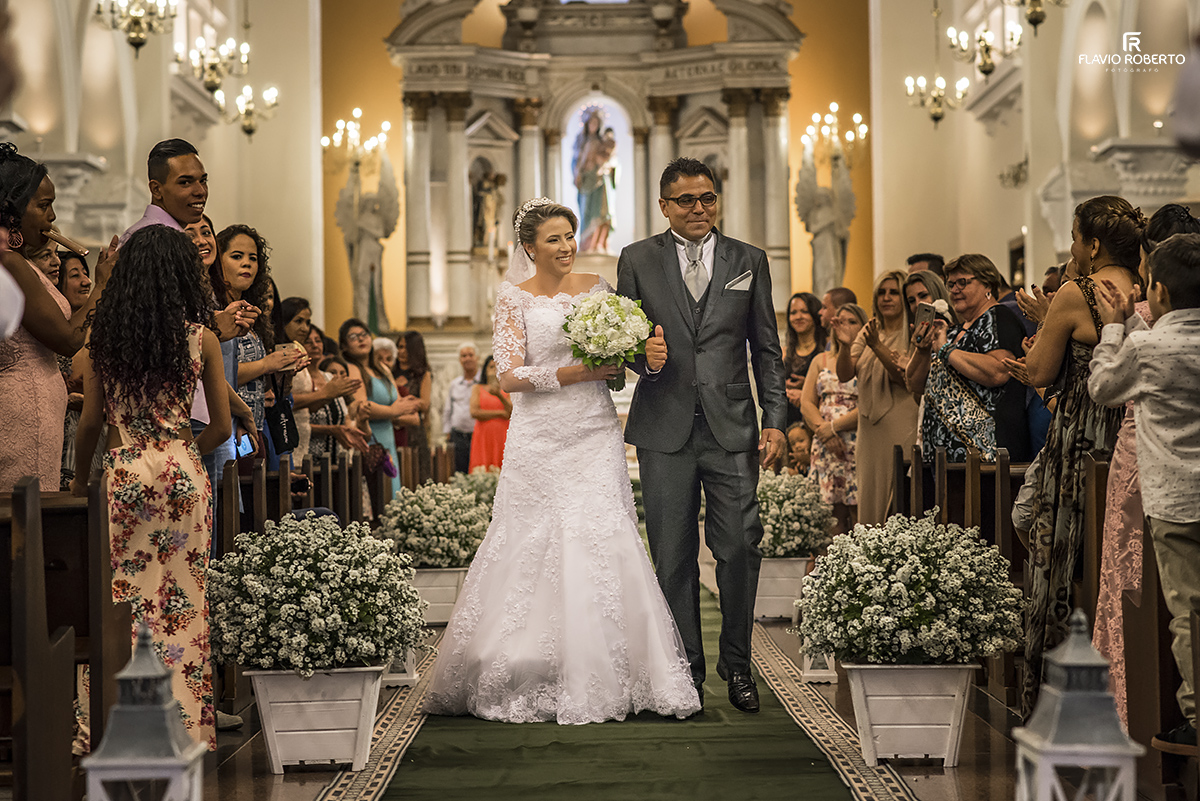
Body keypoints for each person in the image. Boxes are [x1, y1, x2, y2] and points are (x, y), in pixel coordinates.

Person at [426, 197, 700, 724]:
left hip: (594, 430)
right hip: (539, 435)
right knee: (531, 536)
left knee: (603, 531)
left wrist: (638, 358)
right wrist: (581, 372)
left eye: (570, 236)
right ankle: (530, 662)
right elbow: (508, 376)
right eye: (554, 239)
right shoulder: (514, 298)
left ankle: (615, 667)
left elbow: (628, 353)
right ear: (529, 248)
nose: (567, 246)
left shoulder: (598, 287)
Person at [617, 157, 787, 714]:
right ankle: (684, 673)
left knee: (739, 547)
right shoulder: (637, 259)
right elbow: (622, 344)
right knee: (672, 557)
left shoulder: (748, 259)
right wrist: (641, 357)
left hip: (731, 426)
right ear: (664, 206)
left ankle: (738, 666)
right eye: (686, 200)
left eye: (707, 197)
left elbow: (766, 347)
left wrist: (776, 419)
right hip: (663, 428)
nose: (699, 208)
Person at [70, 225, 231, 750]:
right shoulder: (201, 338)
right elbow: (222, 428)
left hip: (125, 470)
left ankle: (108, 724)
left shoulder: (105, 340)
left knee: (122, 599)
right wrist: (184, 454)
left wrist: (79, 483)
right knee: (184, 600)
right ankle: (182, 727)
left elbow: (90, 424)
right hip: (182, 470)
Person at [1013, 195, 1144, 717]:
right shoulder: (1146, 287)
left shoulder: (1078, 292)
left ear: (1092, 244)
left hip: (1080, 437)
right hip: (1129, 435)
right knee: (1115, 558)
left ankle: (1057, 692)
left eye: (1074, 238)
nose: (1071, 248)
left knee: (1061, 559)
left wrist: (1039, 340)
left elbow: (1041, 372)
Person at [1089, 233, 1200, 754]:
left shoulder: (1145, 346)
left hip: (1175, 501)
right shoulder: (1158, 343)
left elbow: (1104, 387)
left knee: (1189, 612)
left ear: (1158, 291)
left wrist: (1114, 326)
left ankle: (1197, 717)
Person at [0, 142, 116, 492]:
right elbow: (67, 340)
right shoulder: (10, 262)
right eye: (44, 205)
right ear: (13, 210)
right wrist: (102, 284)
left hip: (34, 408)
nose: (52, 217)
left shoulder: (16, 260)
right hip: (25, 412)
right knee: (26, 513)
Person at [907, 254, 1031, 465]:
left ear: (987, 284)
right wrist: (922, 350)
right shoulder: (953, 331)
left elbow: (999, 371)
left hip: (985, 455)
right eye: (951, 284)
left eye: (962, 282)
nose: (954, 290)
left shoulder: (1000, 318)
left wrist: (946, 350)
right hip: (945, 457)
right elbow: (916, 385)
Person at [835, 271, 918, 524]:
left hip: (900, 424)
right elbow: (845, 374)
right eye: (881, 293)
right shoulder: (870, 330)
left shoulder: (912, 331)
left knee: (896, 497)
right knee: (869, 495)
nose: (886, 298)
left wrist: (877, 346)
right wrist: (844, 346)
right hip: (869, 430)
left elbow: (906, 379)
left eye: (893, 292)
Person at [342, 319, 418, 503]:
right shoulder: (351, 368)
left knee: (393, 493)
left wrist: (402, 408)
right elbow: (362, 405)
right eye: (353, 337)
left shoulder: (381, 368)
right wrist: (393, 411)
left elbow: (398, 401)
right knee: (377, 498)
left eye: (364, 334)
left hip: (388, 438)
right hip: (369, 438)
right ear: (344, 345)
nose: (361, 339)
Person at [804, 303, 864, 533]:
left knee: (858, 514)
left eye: (852, 322)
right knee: (829, 517)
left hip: (857, 442)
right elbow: (807, 403)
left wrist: (834, 427)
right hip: (826, 445)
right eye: (840, 321)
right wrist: (825, 432)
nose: (844, 326)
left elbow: (870, 405)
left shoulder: (867, 359)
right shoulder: (820, 360)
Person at [119, 139, 207, 246]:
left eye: (203, 181)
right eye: (185, 182)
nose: (200, 191)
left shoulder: (170, 237)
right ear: (156, 189)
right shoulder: (151, 241)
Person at [783, 292, 825, 430]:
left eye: (804, 312)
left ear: (814, 314)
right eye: (793, 312)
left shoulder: (826, 351)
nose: (798, 317)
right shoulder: (783, 354)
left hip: (816, 424)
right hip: (788, 425)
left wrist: (807, 388)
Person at [468, 355, 511, 471]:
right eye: (491, 367)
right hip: (483, 434)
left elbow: (510, 413)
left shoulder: (508, 389)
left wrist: (499, 395)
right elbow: (474, 412)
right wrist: (500, 414)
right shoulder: (477, 388)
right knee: (482, 466)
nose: (494, 370)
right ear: (485, 370)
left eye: (497, 367)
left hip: (503, 434)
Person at [443, 342, 479, 474]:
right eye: (464, 356)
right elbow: (448, 409)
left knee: (478, 471)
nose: (467, 358)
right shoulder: (455, 384)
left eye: (470, 355)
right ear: (460, 360)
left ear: (477, 358)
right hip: (457, 436)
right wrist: (447, 433)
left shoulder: (483, 383)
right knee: (459, 472)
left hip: (478, 435)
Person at [395, 330, 433, 452]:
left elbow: (425, 404)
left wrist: (401, 402)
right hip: (392, 426)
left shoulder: (423, 374)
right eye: (399, 347)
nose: (401, 351)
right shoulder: (389, 372)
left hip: (413, 430)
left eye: (406, 348)